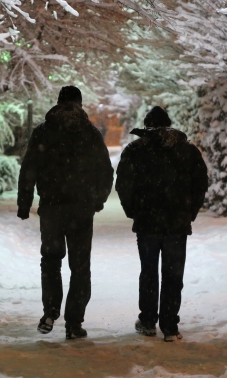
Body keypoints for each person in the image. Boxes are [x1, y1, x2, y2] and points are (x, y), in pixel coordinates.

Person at [17, 85, 113, 340]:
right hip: (81, 208)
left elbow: (29, 168)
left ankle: (50, 311)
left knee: (50, 261)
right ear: (80, 104)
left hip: (52, 208)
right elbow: (105, 170)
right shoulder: (89, 132)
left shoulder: (43, 131)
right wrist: (98, 200)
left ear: (58, 102)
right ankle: (74, 323)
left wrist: (24, 203)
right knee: (80, 267)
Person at [115, 106, 208, 342]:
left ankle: (148, 321)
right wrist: (189, 212)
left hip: (147, 222)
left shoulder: (136, 150)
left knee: (149, 272)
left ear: (147, 126)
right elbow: (200, 184)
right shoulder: (187, 150)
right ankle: (170, 326)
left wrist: (133, 211)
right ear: (169, 125)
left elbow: (123, 183)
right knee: (173, 275)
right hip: (177, 222)